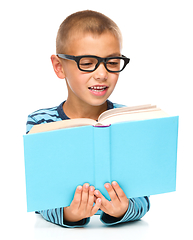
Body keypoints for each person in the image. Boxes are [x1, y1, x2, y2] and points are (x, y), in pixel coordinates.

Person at [26, 10, 150, 227]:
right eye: (87, 62)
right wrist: (68, 214)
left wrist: (123, 210)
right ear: (59, 66)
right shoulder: (41, 123)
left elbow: (143, 199)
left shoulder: (128, 120)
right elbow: (41, 199)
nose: (102, 74)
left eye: (112, 62)